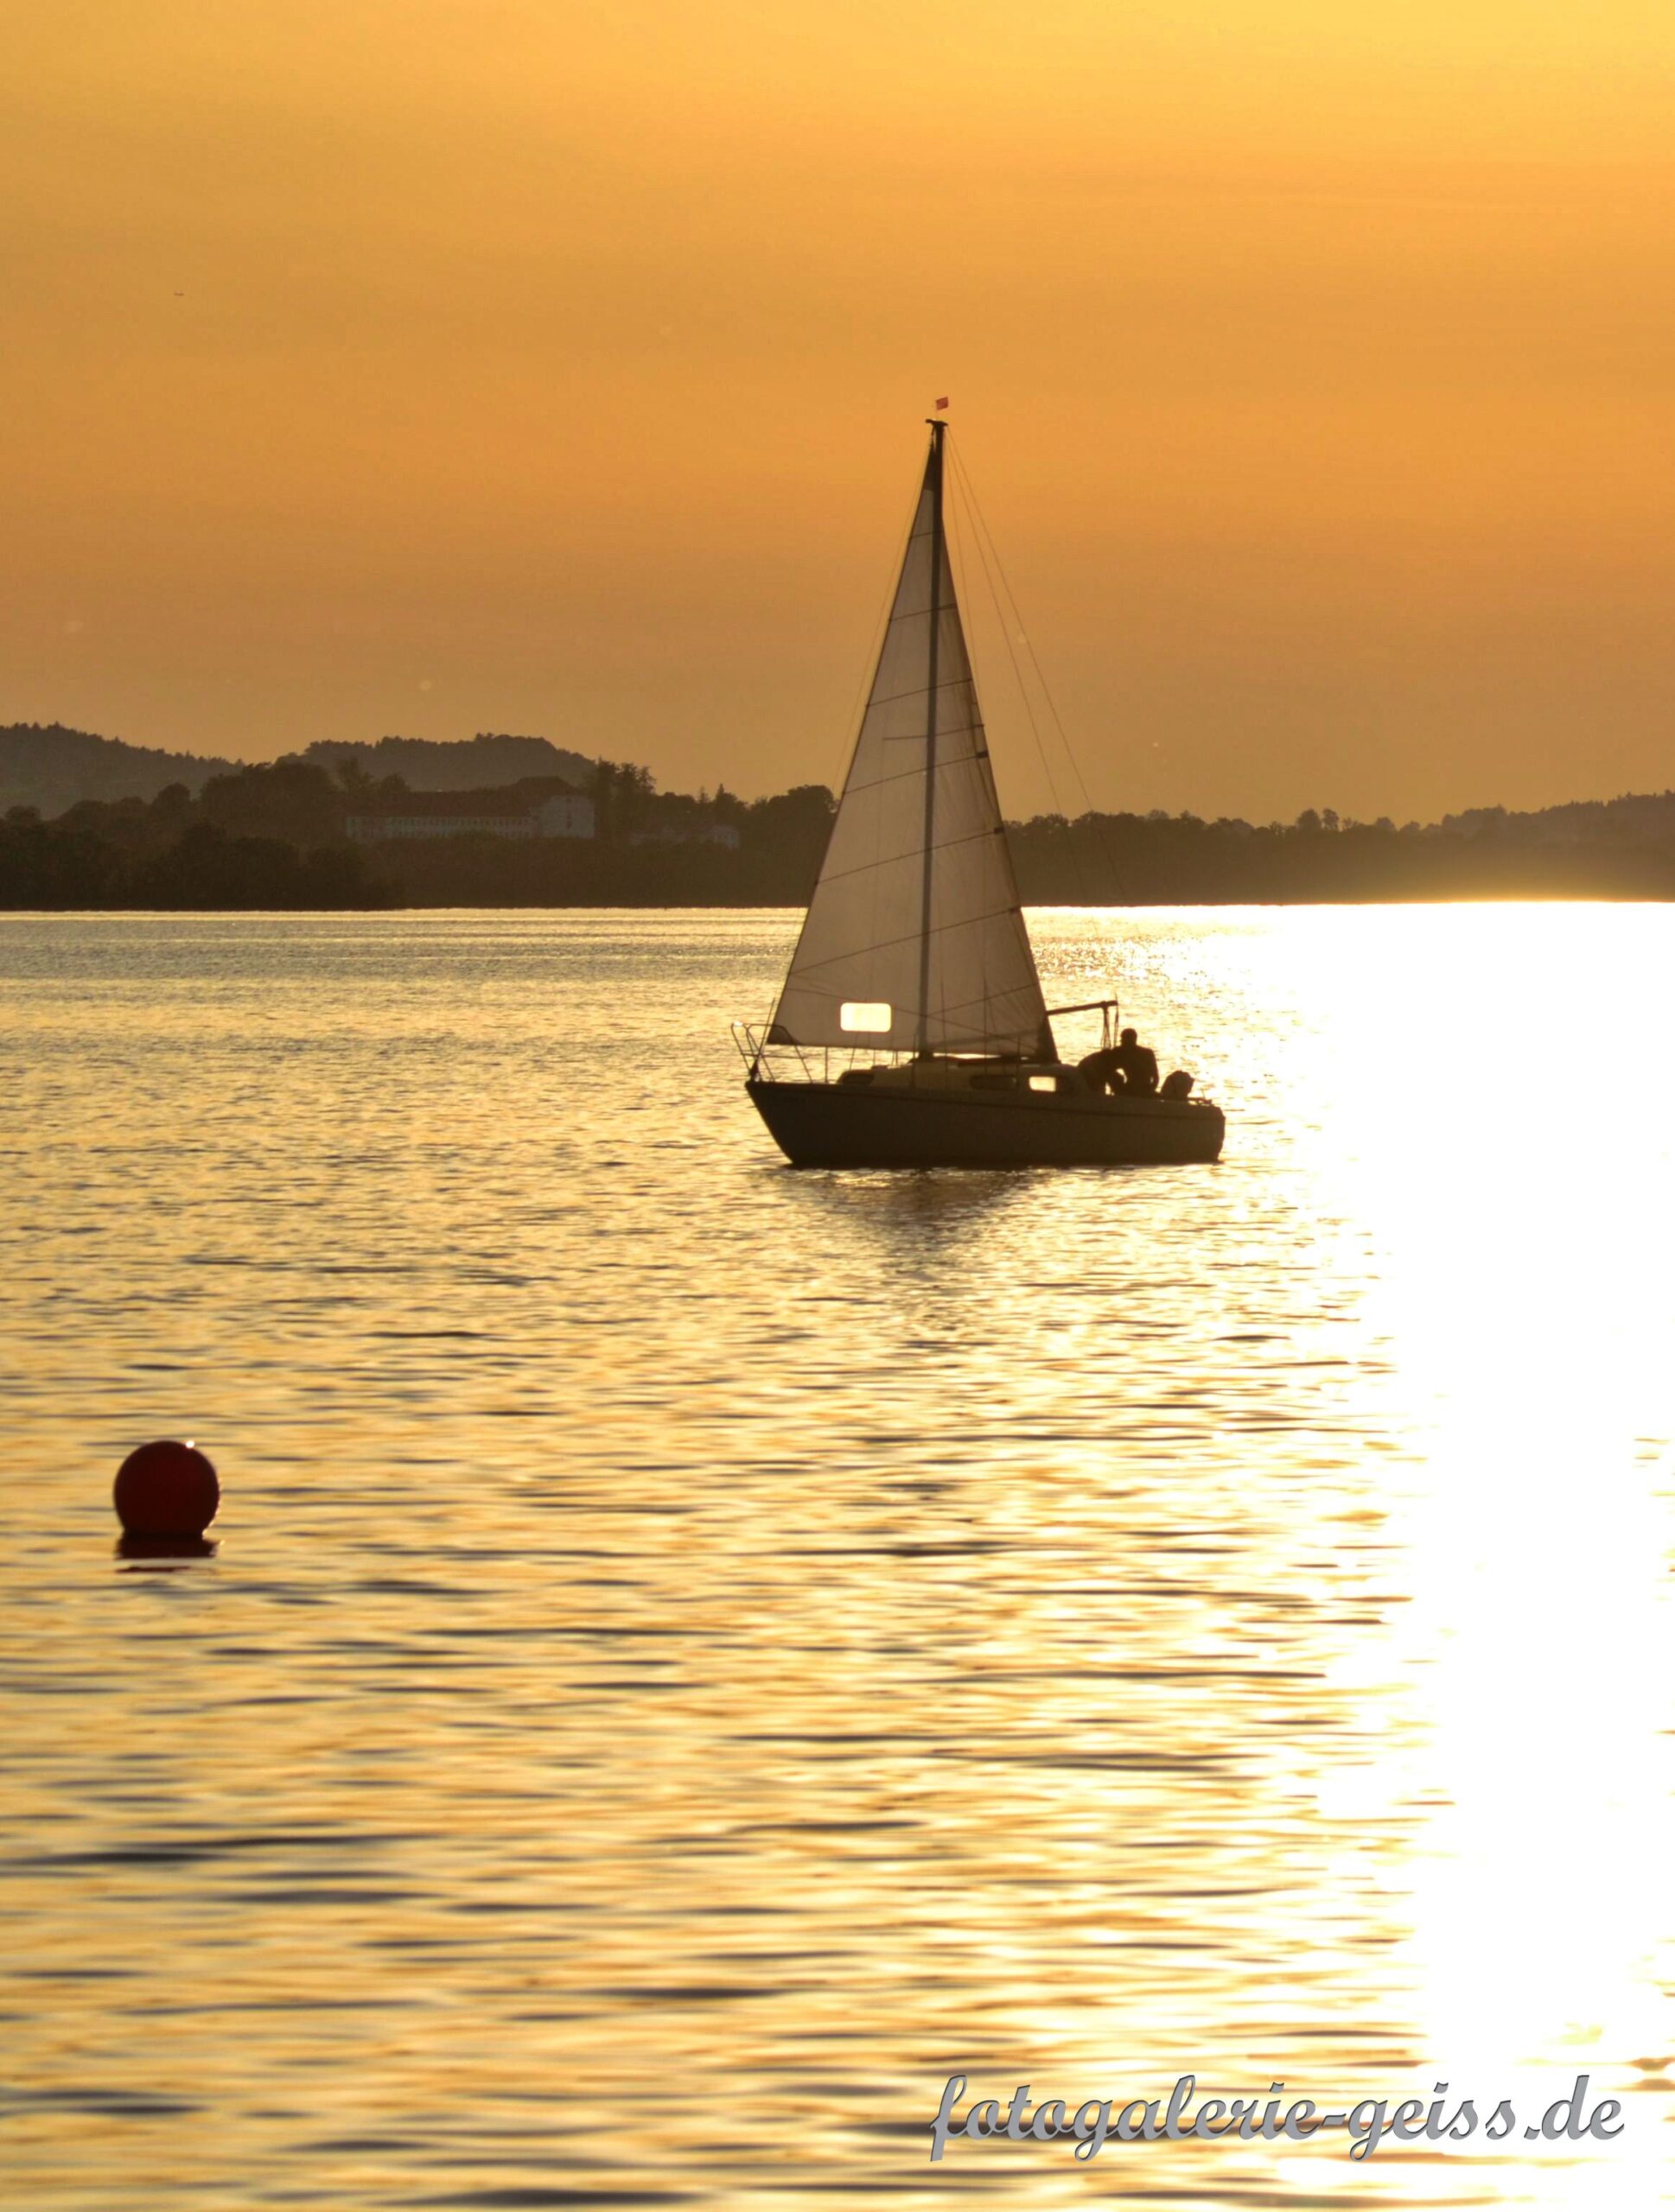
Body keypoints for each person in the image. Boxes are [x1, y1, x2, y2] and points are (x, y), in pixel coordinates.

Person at [1112, 1027, 1159, 1096]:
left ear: (1132, 1040)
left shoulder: (1147, 1054)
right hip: (1132, 1088)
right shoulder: (1121, 1052)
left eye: (1123, 1039)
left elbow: (1155, 1077)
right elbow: (1109, 1068)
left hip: (1142, 1089)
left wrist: (1150, 1090)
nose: (1121, 1041)